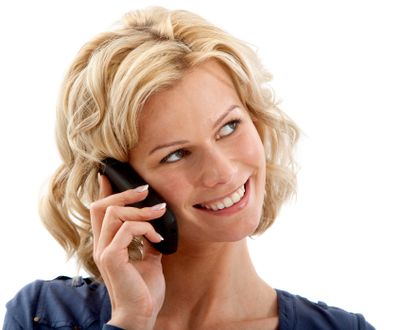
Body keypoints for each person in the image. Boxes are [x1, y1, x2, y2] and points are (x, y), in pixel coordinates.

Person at [3, 6, 375, 330]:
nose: (223, 172)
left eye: (229, 127)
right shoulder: (45, 316)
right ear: (120, 182)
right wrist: (131, 323)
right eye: (176, 154)